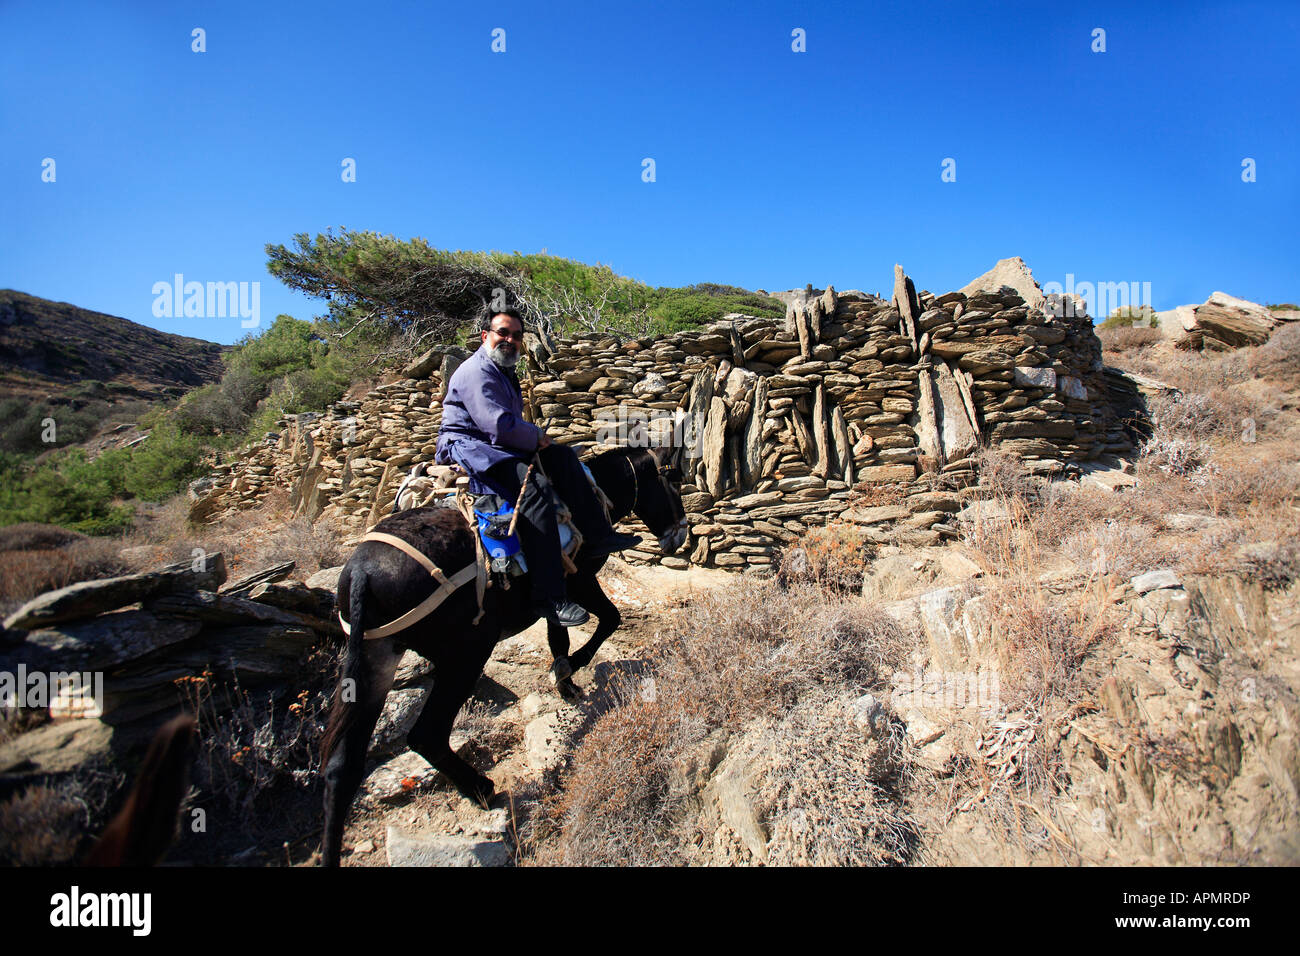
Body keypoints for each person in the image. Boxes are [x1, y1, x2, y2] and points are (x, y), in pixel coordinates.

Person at [434, 304, 640, 627]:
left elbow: (506, 427)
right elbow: (498, 425)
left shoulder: (503, 371)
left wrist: (539, 440)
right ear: (486, 336)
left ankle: (598, 534)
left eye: (516, 336)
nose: (510, 340)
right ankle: (550, 597)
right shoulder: (476, 372)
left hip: (496, 445)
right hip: (472, 448)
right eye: (503, 333)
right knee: (534, 492)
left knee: (563, 458)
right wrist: (535, 435)